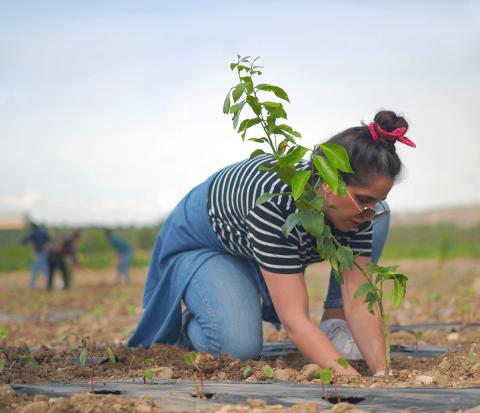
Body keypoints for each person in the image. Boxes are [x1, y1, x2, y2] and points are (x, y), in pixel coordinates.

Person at [128, 111, 416, 377]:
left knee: (376, 221)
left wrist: (381, 372)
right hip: (204, 243)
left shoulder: (357, 209)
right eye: (364, 199)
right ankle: (195, 321)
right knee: (238, 347)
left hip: (249, 236)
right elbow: (295, 321)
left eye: (378, 201)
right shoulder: (275, 207)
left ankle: (333, 324)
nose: (369, 212)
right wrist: (350, 379)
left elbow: (357, 298)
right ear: (328, 183)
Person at [21, 222, 51, 288]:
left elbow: (24, 242)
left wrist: (22, 238)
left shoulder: (34, 234)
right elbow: (49, 239)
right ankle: (48, 283)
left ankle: (33, 284)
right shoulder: (43, 233)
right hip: (43, 253)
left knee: (39, 269)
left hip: (39, 254)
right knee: (42, 268)